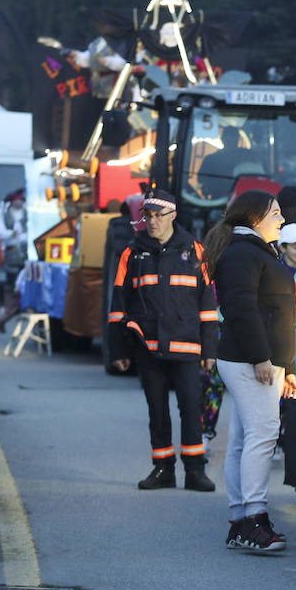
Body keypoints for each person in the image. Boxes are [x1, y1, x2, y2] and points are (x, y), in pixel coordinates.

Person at [107, 192, 219, 492]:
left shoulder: (196, 251)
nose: (151, 221)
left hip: (186, 347)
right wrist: (118, 350)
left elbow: (208, 305)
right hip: (148, 346)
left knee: (190, 409)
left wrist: (210, 349)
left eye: (157, 215)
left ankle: (195, 471)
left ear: (172, 216)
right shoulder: (132, 253)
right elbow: (119, 303)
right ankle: (163, 469)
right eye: (147, 216)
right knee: (157, 409)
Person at [203, 190, 294, 553]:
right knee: (262, 435)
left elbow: (277, 313)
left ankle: (242, 521)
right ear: (254, 217)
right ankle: (253, 520)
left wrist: (287, 367)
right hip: (250, 360)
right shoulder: (243, 254)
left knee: (245, 440)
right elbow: (243, 310)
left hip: (257, 360)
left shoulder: (255, 251)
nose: (282, 219)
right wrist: (262, 359)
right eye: (275, 213)